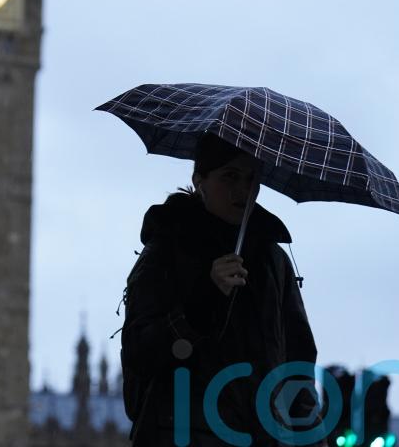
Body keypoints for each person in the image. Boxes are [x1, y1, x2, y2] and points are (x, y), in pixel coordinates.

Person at [121, 132, 321, 447]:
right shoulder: (166, 252)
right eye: (230, 176)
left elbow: (298, 362)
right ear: (199, 180)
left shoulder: (273, 262)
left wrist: (311, 437)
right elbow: (139, 353)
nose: (243, 190)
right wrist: (204, 299)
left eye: (251, 178)